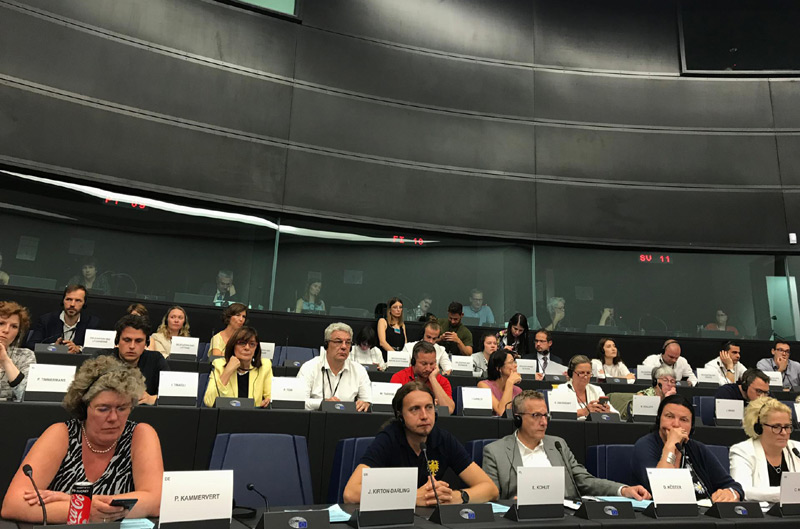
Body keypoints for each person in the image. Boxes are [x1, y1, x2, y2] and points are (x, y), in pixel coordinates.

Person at [0, 355, 163, 523]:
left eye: (122, 408)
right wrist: (87, 511)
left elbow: (155, 502)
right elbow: (13, 504)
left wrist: (75, 501)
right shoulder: (61, 434)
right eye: (103, 409)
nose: (114, 418)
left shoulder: (140, 434)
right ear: (84, 407)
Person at [342, 381, 498, 505]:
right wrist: (412, 497)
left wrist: (455, 497)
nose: (424, 416)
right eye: (414, 409)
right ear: (400, 416)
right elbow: (350, 493)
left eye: (429, 407)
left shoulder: (443, 439)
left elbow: (490, 489)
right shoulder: (388, 438)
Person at [483, 390, 651, 500]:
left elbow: (585, 481)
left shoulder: (558, 445)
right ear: (518, 418)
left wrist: (623, 490)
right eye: (536, 415)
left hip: (563, 517)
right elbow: (490, 497)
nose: (544, 422)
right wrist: (511, 503)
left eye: (545, 415)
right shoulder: (495, 451)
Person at [632, 394, 743, 502]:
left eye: (684, 420)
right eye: (669, 416)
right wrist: (670, 445)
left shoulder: (698, 449)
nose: (676, 424)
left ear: (691, 427)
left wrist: (730, 493)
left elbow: (733, 486)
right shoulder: (645, 445)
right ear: (659, 419)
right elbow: (662, 490)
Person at [729, 397, 800, 502]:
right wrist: (789, 492)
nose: (784, 433)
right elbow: (742, 490)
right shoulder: (742, 451)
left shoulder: (797, 449)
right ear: (759, 428)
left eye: (787, 427)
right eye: (776, 427)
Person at [296, 322, 372, 411]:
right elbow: (299, 401)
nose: (344, 346)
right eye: (338, 342)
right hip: (316, 417)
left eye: (348, 342)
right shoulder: (309, 367)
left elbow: (367, 400)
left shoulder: (359, 370)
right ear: (326, 345)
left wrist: (365, 403)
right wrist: (323, 403)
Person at [204, 326, 272, 407]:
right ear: (233, 346)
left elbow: (271, 398)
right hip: (227, 413)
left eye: (252, 344)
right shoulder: (219, 365)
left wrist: (266, 403)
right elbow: (209, 402)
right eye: (242, 343)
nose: (247, 348)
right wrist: (227, 371)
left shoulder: (264, 366)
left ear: (256, 348)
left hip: (253, 414)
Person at [111, 315, 169, 406]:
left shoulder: (156, 359)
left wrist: (152, 399)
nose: (132, 346)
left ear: (146, 343)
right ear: (117, 340)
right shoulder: (102, 358)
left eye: (138, 341)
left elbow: (170, 395)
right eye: (127, 340)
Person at [27, 285, 101, 353]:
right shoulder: (46, 320)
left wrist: (78, 349)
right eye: (69, 299)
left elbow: (99, 350)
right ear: (63, 301)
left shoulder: (92, 323)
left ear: (84, 303)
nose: (72, 304)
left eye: (78, 300)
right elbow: (31, 346)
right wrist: (54, 348)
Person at [390, 341, 455, 414]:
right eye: (424, 364)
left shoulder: (442, 381)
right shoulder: (399, 377)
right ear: (413, 362)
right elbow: (395, 407)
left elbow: (449, 410)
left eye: (432, 364)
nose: (428, 369)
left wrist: (433, 379)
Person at [553, 355, 617, 419]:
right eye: (581, 373)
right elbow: (556, 415)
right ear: (571, 373)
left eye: (588, 373)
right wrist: (583, 412)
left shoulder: (597, 390)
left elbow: (617, 415)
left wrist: (608, 413)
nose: (585, 377)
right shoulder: (560, 390)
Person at [0, 301, 36, 402]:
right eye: (1, 323)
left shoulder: (25, 356)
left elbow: (26, 397)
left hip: (10, 411)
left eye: (14, 326)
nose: (6, 330)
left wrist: (5, 360)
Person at [478, 351, 522, 416]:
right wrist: (510, 383)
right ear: (498, 368)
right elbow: (502, 412)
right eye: (511, 362)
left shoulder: (518, 391)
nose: (515, 365)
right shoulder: (484, 385)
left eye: (514, 362)